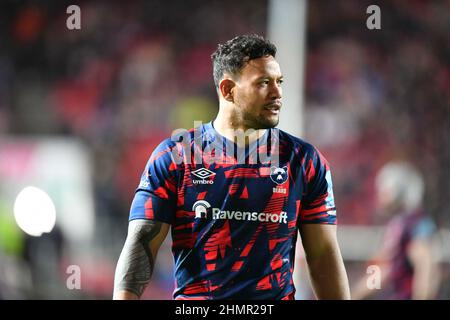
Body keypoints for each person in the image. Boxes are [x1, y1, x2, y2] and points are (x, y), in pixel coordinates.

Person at [113, 34, 350, 300]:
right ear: (227, 89)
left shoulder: (305, 161)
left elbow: (323, 257)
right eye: (263, 83)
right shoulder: (175, 156)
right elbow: (142, 243)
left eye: (279, 82)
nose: (277, 92)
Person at [352, 161, 440, 300]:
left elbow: (425, 267)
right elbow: (385, 270)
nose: (381, 193)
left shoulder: (415, 223)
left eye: (385, 189)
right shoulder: (398, 224)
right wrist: (353, 295)